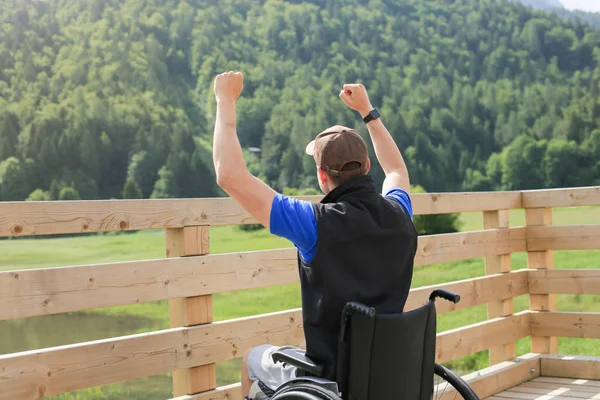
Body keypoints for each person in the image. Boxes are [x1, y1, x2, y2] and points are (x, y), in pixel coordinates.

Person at [212, 71, 417, 400]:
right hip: (385, 373)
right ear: (366, 166)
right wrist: (368, 111)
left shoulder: (313, 223)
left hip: (332, 379)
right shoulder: (399, 212)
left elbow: (229, 174)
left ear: (323, 176)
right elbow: (396, 170)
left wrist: (225, 100)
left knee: (253, 359)